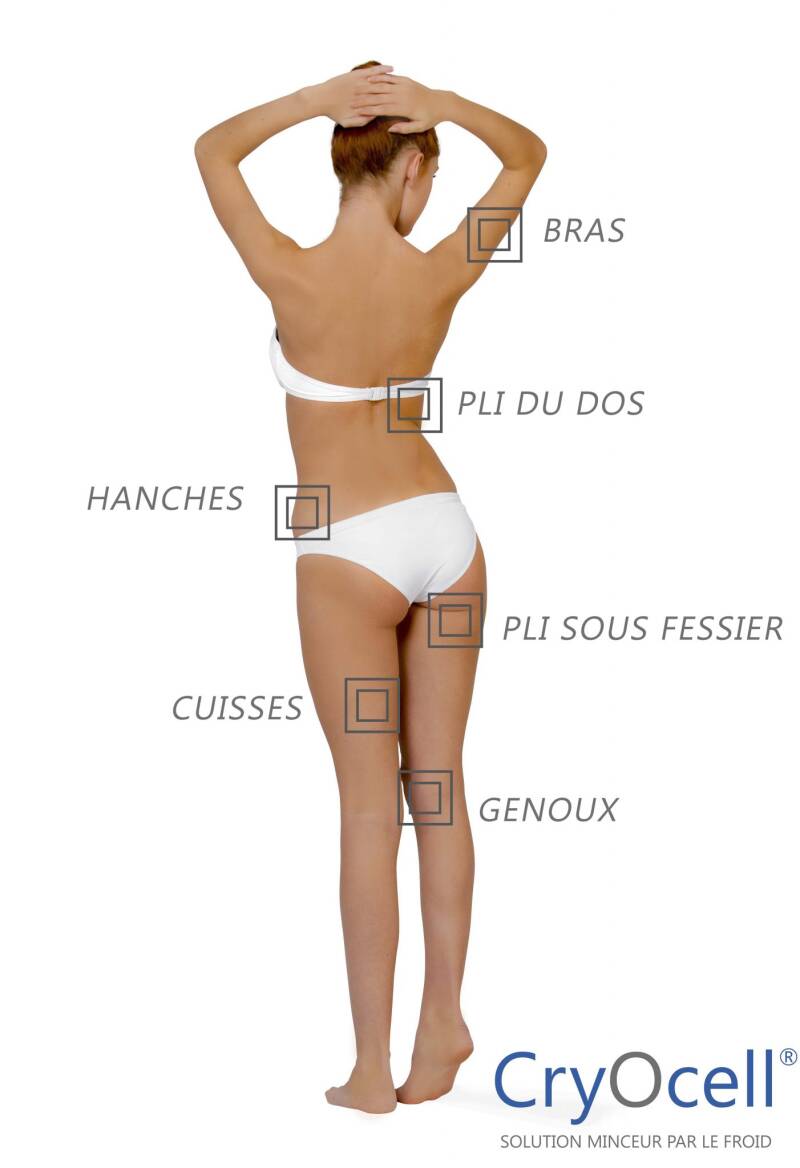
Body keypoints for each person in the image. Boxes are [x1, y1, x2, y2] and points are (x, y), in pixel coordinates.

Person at [194, 61, 546, 1113]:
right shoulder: (440, 273)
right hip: (447, 537)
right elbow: (529, 154)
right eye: (430, 177)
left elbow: (211, 151)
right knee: (436, 786)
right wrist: (449, 108)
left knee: (364, 807)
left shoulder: (286, 272)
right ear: (413, 172)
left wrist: (312, 100)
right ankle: (442, 1023)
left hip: (349, 557)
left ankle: (367, 1070)